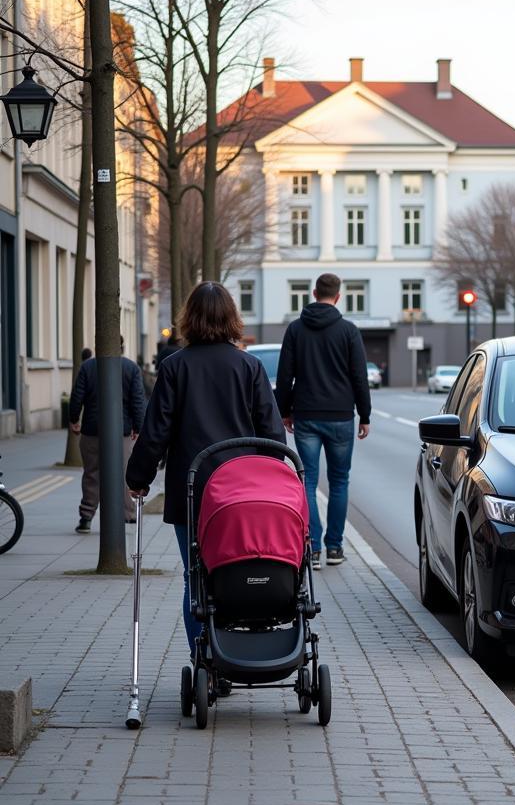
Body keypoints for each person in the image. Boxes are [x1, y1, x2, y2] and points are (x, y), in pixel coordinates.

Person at [126, 282, 285, 658]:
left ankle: (205, 659)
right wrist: (271, 478)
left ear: (189, 319)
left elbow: (155, 431)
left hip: (192, 489)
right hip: (241, 492)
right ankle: (235, 648)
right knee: (235, 570)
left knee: (194, 578)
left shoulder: (174, 367)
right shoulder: (250, 367)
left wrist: (138, 479)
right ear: (232, 317)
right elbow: (272, 433)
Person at [275, 272, 371, 570]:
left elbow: (285, 375)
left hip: (306, 415)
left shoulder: (295, 330)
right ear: (338, 296)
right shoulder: (348, 331)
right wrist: (364, 415)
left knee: (308, 481)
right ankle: (334, 548)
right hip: (341, 416)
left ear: (314, 293)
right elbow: (359, 376)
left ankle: (312, 549)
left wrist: (284, 410)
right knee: (340, 481)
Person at [69, 339, 146, 534]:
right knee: (123, 473)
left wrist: (73, 418)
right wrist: (138, 427)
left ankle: (86, 516)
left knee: (91, 474)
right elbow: (138, 401)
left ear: (97, 348)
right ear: (123, 348)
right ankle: (128, 514)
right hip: (122, 432)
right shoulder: (131, 368)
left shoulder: (87, 367)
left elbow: (77, 396)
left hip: (91, 431)